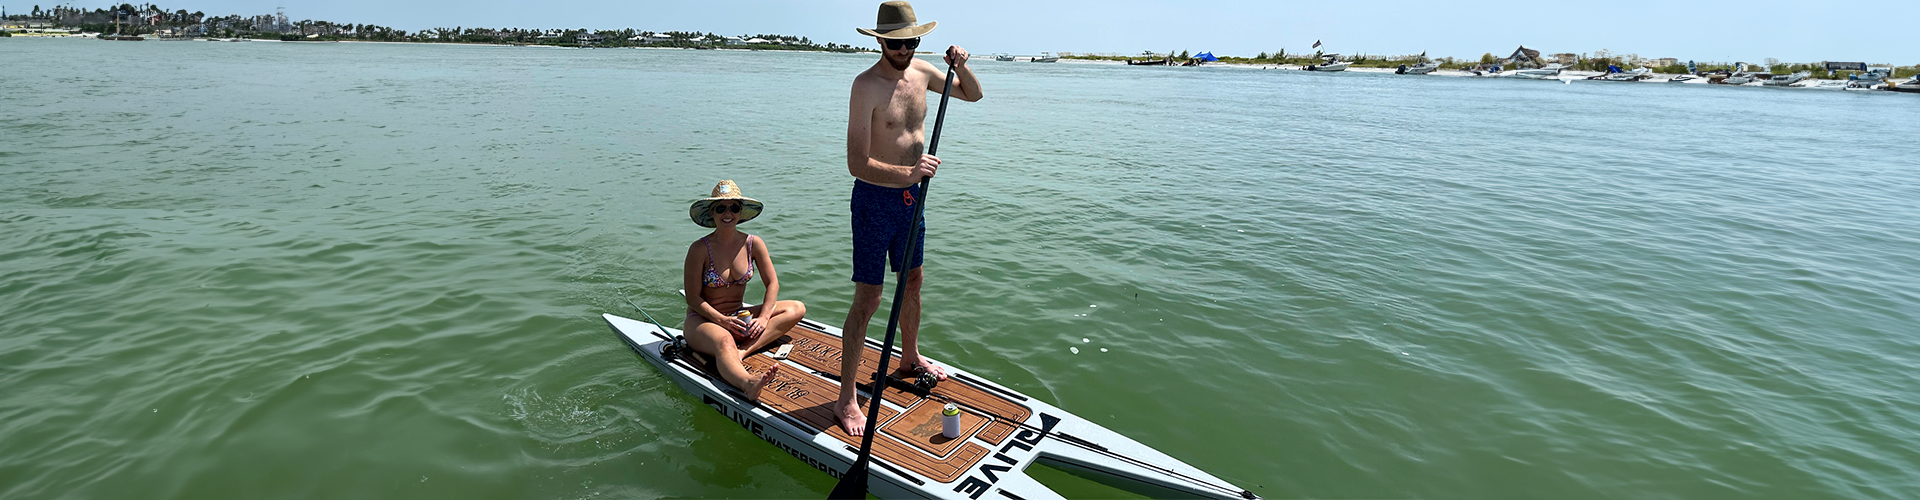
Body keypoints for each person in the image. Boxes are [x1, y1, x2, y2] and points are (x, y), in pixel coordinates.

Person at [835, 0, 984, 437]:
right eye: (897, 42)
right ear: (881, 40)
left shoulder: (923, 73)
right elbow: (856, 163)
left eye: (912, 41)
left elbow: (972, 94)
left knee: (913, 281)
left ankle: (909, 356)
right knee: (870, 299)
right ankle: (846, 400)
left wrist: (961, 65)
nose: (905, 48)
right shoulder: (865, 86)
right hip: (873, 202)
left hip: (911, 202)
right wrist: (909, 172)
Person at [682, 180, 807, 402]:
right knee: (724, 342)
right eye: (721, 208)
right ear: (712, 213)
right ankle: (747, 383)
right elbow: (692, 298)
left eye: (734, 207)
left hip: (739, 317)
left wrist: (764, 318)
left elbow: (773, 284)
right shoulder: (699, 249)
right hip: (702, 321)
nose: (727, 213)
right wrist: (722, 321)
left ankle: (744, 351)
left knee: (796, 308)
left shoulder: (753, 243)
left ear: (741, 212)